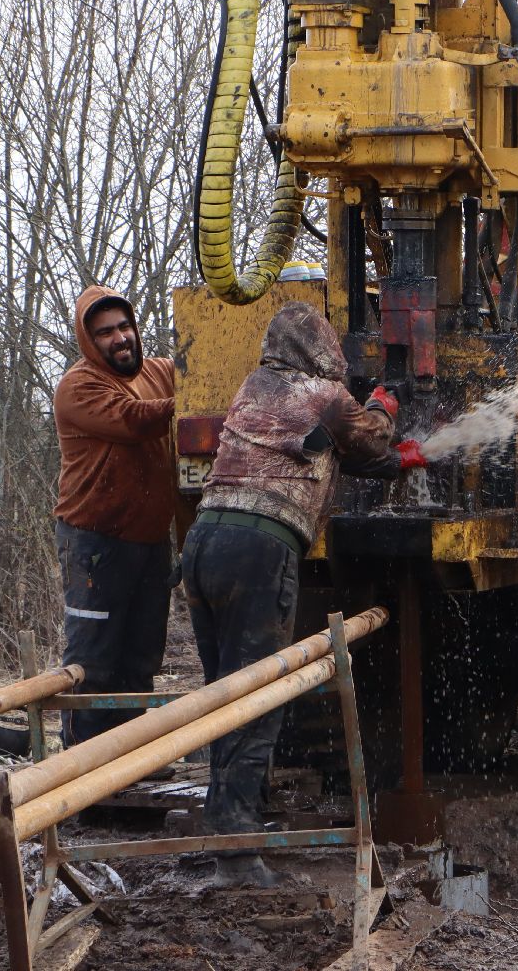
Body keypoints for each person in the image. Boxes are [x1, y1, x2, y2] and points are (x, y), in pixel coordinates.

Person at [182, 301, 426, 888]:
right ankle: (238, 857)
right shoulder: (322, 394)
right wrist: (383, 404)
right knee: (259, 695)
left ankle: (227, 826)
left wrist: (397, 465)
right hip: (258, 549)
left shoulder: (258, 386)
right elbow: (366, 437)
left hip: (203, 541)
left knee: (224, 694)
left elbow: (319, 452)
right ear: (321, 348)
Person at [53, 285, 177, 747]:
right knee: (93, 661)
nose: (120, 338)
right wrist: (194, 401)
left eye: (124, 326)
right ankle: (82, 776)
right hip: (95, 543)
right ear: (89, 342)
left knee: (141, 660)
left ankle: (129, 767)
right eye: (105, 332)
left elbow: (199, 373)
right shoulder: (79, 386)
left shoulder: (160, 372)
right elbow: (136, 419)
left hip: (149, 541)